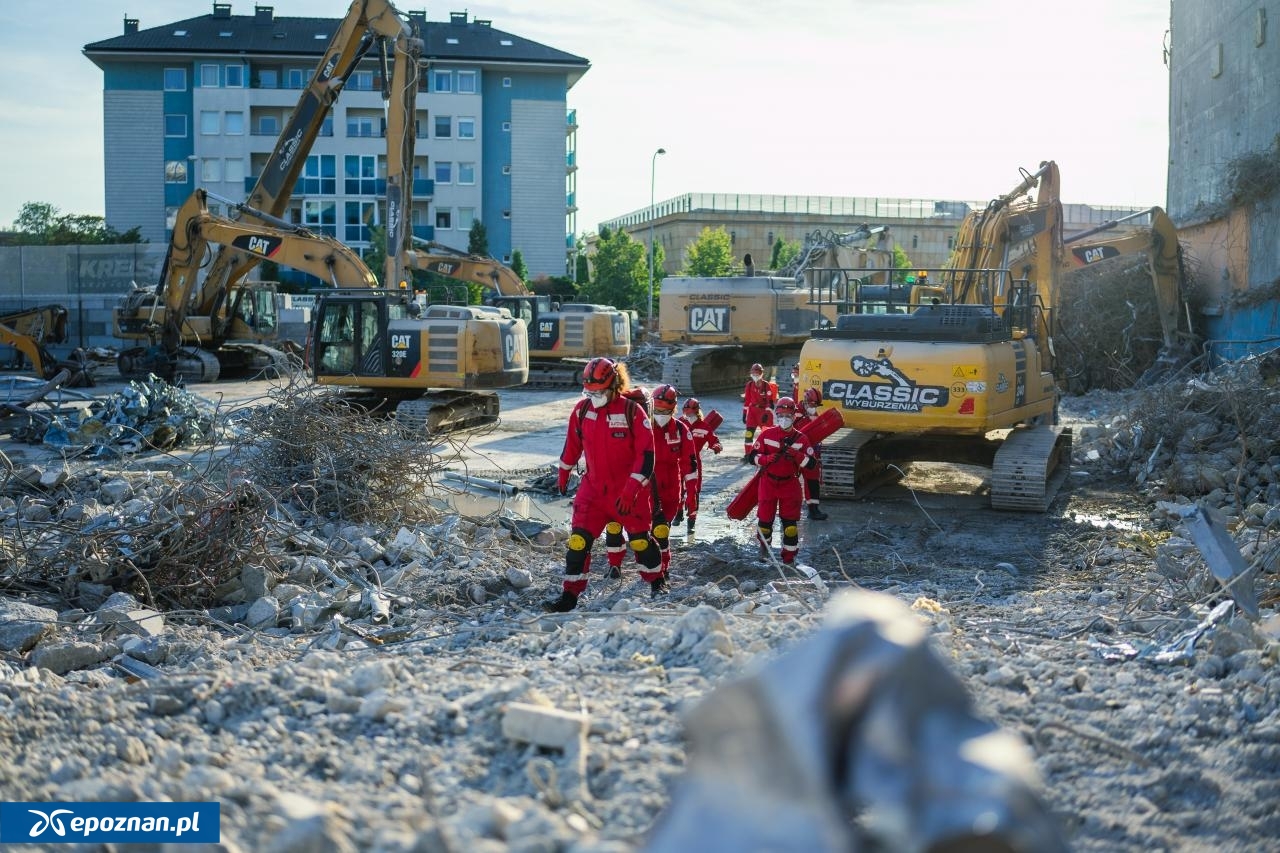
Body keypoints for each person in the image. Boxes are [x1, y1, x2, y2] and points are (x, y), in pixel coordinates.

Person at [548, 357, 667, 612]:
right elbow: (572, 444)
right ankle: (569, 596)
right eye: (590, 392)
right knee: (578, 542)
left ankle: (657, 580)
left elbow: (646, 456)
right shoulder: (582, 410)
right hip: (593, 490)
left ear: (614, 385)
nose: (594, 396)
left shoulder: (632, 412)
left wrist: (631, 490)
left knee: (639, 542)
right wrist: (564, 470)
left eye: (600, 392)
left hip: (628, 492)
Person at [749, 397, 816, 564]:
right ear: (776, 415)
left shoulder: (801, 439)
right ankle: (765, 551)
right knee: (764, 523)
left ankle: (789, 558)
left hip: (790, 484)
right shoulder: (767, 434)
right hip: (768, 483)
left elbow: (812, 464)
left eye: (787, 415)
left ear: (794, 417)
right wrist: (766, 459)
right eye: (781, 415)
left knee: (790, 526)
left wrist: (796, 454)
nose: (784, 419)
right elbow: (752, 457)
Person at [648, 384, 699, 575]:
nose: (661, 414)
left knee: (662, 529)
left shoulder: (680, 430)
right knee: (651, 531)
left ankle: (661, 568)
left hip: (671, 488)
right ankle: (656, 568)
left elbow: (690, 464)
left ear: (674, 409)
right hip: (647, 485)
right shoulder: (643, 427)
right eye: (658, 410)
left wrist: (692, 494)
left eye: (666, 411)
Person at [678, 396, 722, 544]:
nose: (688, 416)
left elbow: (714, 440)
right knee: (676, 490)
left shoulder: (704, 427)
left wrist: (716, 447)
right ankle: (677, 513)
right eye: (686, 413)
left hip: (694, 463)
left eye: (690, 414)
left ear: (697, 412)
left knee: (694, 492)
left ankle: (691, 523)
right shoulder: (678, 424)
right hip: (677, 463)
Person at [793, 387, 829, 520]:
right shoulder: (794, 412)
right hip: (794, 453)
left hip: (810, 453)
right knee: (788, 482)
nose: (814, 408)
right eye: (812, 405)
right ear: (806, 401)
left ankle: (813, 509)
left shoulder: (813, 414)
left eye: (816, 406)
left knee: (812, 480)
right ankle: (788, 509)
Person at [741, 362, 777, 459]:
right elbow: (747, 401)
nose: (755, 376)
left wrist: (766, 414)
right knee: (749, 433)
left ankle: (768, 453)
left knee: (768, 435)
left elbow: (770, 403)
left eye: (756, 374)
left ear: (761, 374)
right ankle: (748, 454)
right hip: (752, 412)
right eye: (753, 374)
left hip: (763, 412)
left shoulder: (766, 386)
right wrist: (744, 414)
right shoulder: (749, 385)